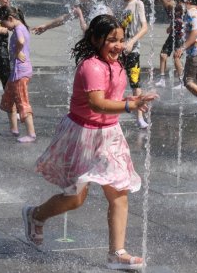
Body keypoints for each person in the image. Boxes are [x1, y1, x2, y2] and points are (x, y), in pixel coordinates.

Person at [22, 14, 158, 270]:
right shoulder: (91, 66)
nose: (118, 45)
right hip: (83, 134)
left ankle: (116, 252)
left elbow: (111, 97)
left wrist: (129, 99)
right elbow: (97, 103)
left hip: (110, 134)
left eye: (121, 39)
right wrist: (130, 105)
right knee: (75, 198)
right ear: (96, 40)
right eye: (111, 40)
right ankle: (35, 215)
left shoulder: (117, 64)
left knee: (119, 193)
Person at [111, 0, 149, 128]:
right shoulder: (115, 2)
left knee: (135, 81)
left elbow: (145, 27)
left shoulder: (138, 4)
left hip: (133, 49)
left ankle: (140, 117)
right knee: (113, 80)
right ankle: (112, 113)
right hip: (116, 49)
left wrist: (132, 41)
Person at [0, 6, 36, 142]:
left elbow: (20, 41)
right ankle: (14, 130)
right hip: (15, 73)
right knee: (8, 100)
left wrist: (18, 52)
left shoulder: (19, 29)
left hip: (21, 72)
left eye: (4, 23)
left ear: (10, 19)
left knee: (22, 102)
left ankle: (31, 134)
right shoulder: (19, 27)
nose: (5, 27)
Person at [33, 0, 112, 35]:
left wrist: (80, 15)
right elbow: (64, 19)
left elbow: (87, 31)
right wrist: (46, 26)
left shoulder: (99, 9)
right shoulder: (84, 7)